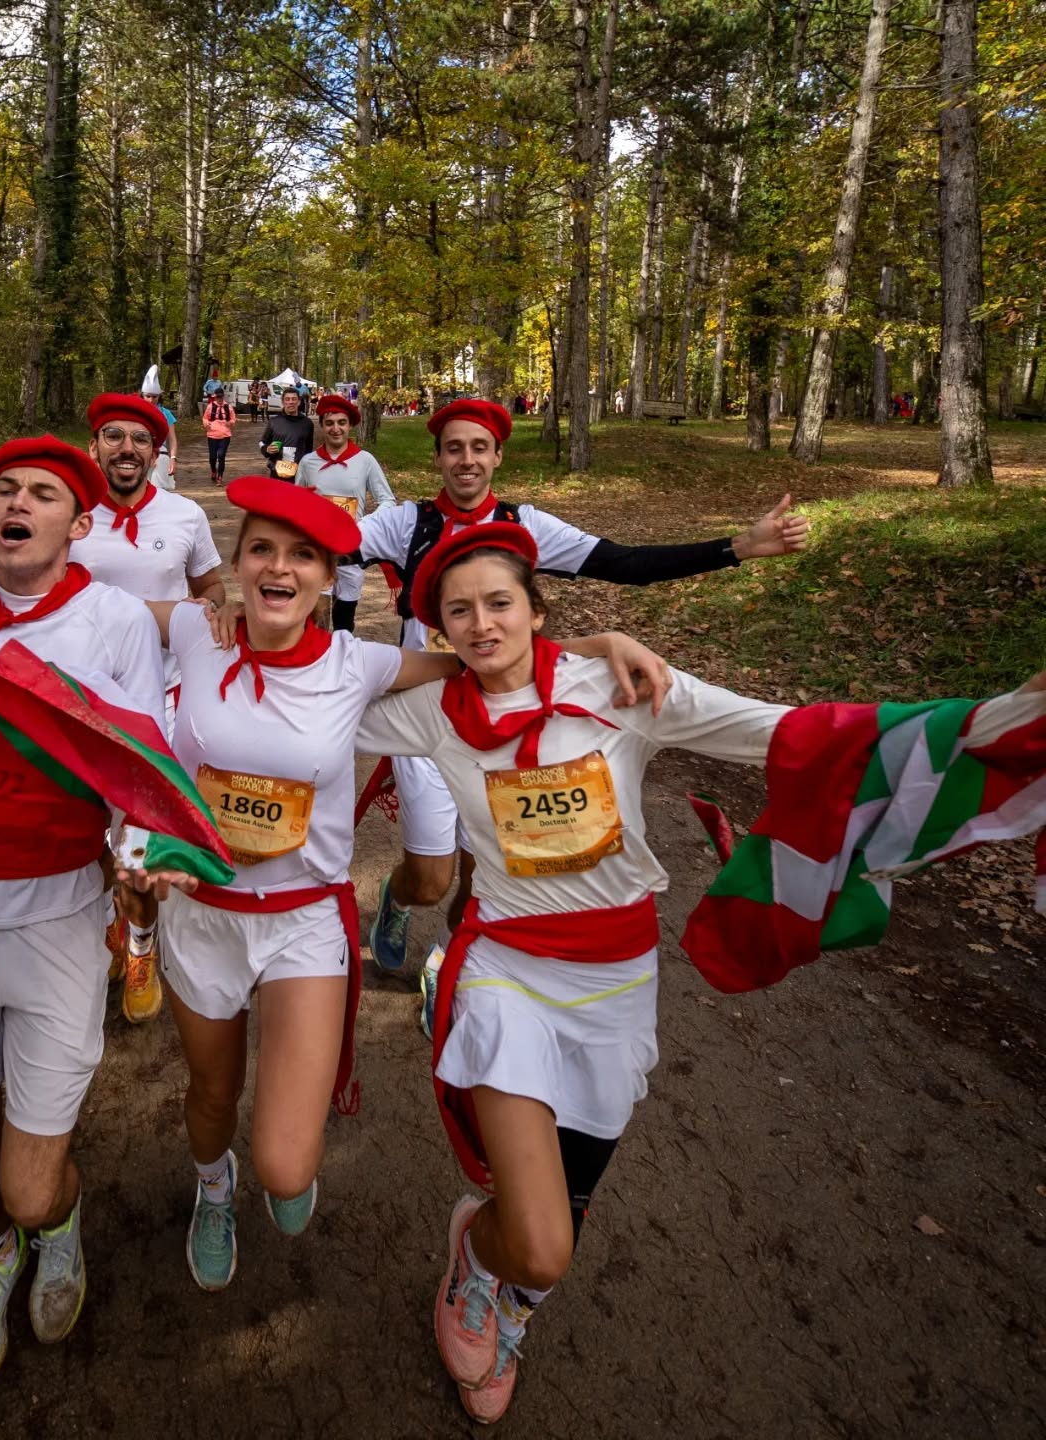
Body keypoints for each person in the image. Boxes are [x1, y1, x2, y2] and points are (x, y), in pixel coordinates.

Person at [354, 521, 1046, 1424]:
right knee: (546, 1247)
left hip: (614, 984)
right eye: (459, 612)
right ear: (439, 629)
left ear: (537, 610)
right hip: (508, 973)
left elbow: (788, 734)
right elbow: (306, 690)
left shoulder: (621, 688)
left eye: (500, 603)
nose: (483, 624)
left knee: (568, 1202)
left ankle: (499, 1281)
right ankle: (491, 1271)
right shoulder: (429, 714)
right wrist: (214, 618)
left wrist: (1000, 720)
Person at [121, 479, 668, 1296]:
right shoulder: (197, 632)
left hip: (304, 922)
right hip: (204, 916)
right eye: (262, 550)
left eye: (303, 556)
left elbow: (486, 656)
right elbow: (77, 602)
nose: (280, 568)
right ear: (234, 567)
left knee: (287, 1163)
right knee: (211, 1091)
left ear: (327, 578)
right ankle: (211, 1186)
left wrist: (600, 643)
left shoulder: (359, 661)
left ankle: (270, 1168)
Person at [355, 397, 810, 982]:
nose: (465, 460)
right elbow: (327, 545)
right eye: (453, 448)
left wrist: (737, 549)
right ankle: (400, 899)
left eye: (478, 448)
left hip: (509, 715)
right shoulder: (405, 523)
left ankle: (453, 959)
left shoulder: (527, 525)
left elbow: (627, 564)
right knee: (432, 877)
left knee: (485, 869)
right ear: (439, 457)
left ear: (497, 456)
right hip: (433, 712)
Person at [0, 435, 168, 1393]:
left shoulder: (117, 622)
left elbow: (143, 767)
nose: (16, 503)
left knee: (25, 1184)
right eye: (4, 492)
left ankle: (57, 1231)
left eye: (41, 493)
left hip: (57, 926)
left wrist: (140, 876)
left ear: (79, 524)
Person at [0, 394, 228, 1026]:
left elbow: (208, 589)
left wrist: (216, 615)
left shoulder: (186, 515)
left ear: (157, 452)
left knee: (136, 846)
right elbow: (17, 564)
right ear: (96, 448)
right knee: (80, 834)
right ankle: (91, 927)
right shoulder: (64, 511)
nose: (126, 449)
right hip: (63, 700)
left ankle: (139, 942)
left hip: (152, 696)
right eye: (113, 436)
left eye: (140, 439)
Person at [293, 392, 395, 633]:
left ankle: (342, 664)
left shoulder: (365, 461)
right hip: (317, 550)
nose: (336, 429)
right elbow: (297, 502)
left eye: (341, 423)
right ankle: (316, 665)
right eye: (329, 423)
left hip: (350, 551)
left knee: (344, 621)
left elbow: (388, 500)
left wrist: (364, 525)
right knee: (316, 621)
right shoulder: (308, 462)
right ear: (322, 426)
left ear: (350, 425)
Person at [258, 384, 315, 480]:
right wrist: (266, 449)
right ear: (283, 402)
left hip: (299, 474)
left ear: (299, 402)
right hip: (277, 473)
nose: (291, 402)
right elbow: (262, 442)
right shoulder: (274, 422)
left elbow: (309, 450)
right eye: (287, 399)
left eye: (294, 399)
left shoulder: (307, 423)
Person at [140, 364, 178, 490]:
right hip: (140, 457)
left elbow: (172, 439)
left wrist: (173, 459)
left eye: (154, 397)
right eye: (148, 396)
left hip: (161, 456)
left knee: (160, 493)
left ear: (159, 396)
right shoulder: (137, 413)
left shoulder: (165, 413)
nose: (151, 400)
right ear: (143, 395)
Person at [203, 388, 237, 485]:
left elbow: (233, 419)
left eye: (221, 397)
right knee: (212, 457)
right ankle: (214, 470)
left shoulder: (228, 407)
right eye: (217, 397)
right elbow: (205, 418)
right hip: (212, 435)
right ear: (215, 397)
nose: (219, 399)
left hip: (225, 435)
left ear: (223, 396)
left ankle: (220, 477)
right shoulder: (210, 407)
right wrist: (206, 424)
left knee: (221, 456)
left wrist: (230, 423)